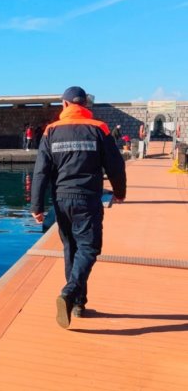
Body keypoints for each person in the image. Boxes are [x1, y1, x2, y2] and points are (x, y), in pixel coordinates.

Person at [31, 86, 126, 329]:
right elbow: (115, 165)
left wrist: (37, 206)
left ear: (64, 105)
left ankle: (78, 304)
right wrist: (119, 192)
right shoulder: (99, 128)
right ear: (85, 105)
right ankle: (70, 292)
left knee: (70, 248)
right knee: (89, 248)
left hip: (61, 199)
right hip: (88, 198)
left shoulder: (50, 131)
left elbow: (41, 172)